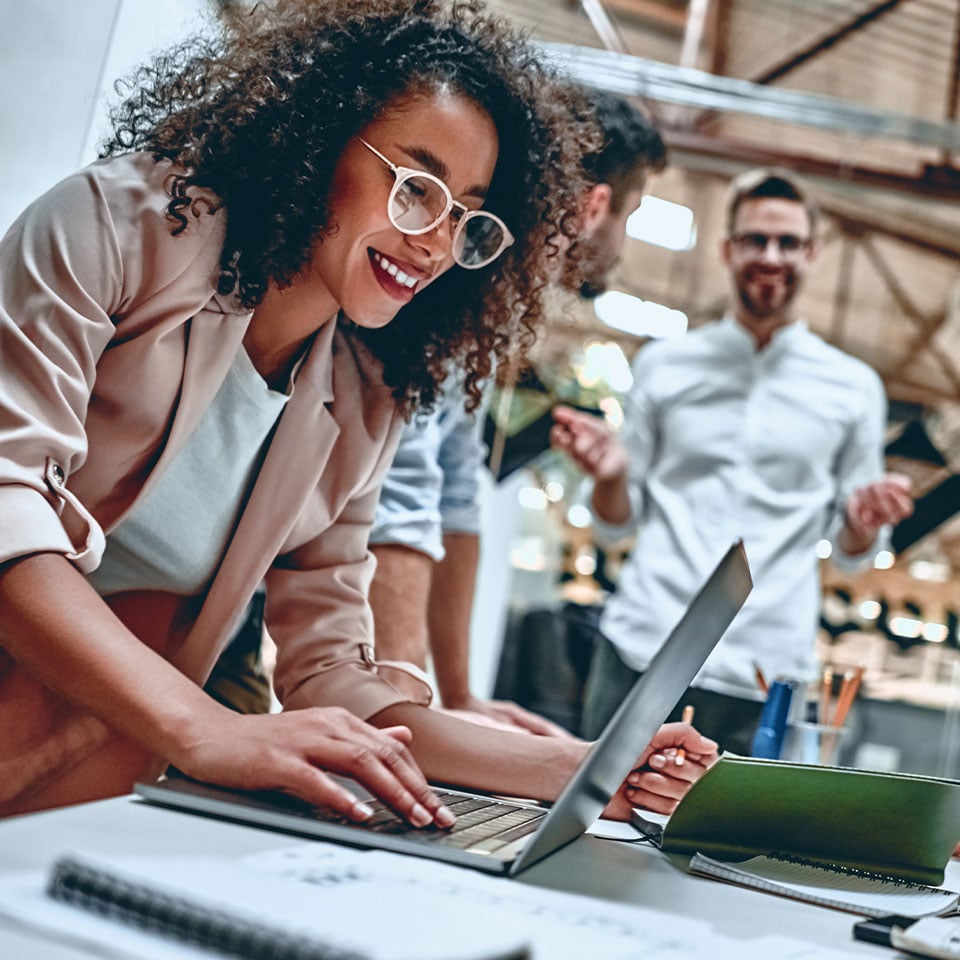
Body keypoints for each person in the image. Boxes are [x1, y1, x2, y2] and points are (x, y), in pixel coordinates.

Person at [0, 0, 713, 823]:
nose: (434, 241)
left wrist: (583, 766)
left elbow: (336, 673)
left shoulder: (366, 392)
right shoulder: (119, 227)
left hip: (83, 772)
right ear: (313, 140)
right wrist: (206, 728)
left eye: (467, 217)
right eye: (416, 186)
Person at [552, 167, 915, 754]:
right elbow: (616, 520)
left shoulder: (855, 388)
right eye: (754, 239)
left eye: (788, 242)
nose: (770, 256)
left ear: (813, 254)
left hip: (766, 667)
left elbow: (853, 556)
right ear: (726, 249)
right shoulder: (665, 365)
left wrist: (862, 522)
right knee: (597, 826)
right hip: (645, 646)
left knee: (734, 845)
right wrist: (613, 476)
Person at [367, 90, 667, 736]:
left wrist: (457, 696)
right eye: (631, 214)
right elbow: (404, 491)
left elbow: (454, 493)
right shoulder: (454, 277)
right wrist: (410, 716)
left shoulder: (496, 306)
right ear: (594, 207)